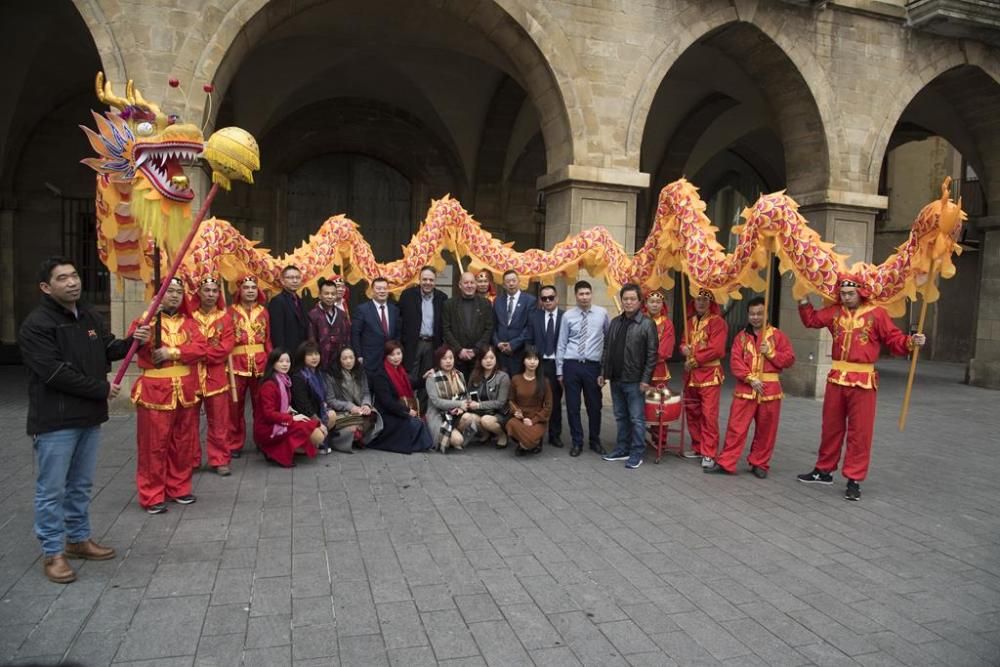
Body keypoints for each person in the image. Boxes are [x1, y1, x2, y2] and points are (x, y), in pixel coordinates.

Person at [20, 256, 150, 583]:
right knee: (52, 490)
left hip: (88, 417)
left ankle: (78, 539)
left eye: (74, 275)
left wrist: (135, 340)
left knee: (80, 484)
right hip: (55, 421)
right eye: (62, 278)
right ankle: (53, 553)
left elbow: (108, 348)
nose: (72, 282)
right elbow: (53, 373)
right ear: (46, 287)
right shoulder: (37, 325)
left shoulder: (88, 315)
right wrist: (100, 388)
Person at [797, 275, 926, 501]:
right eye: (843, 294)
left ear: (861, 292)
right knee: (831, 427)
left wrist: (911, 341)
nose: (846, 298)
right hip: (837, 378)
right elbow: (812, 321)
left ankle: (854, 479)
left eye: (850, 294)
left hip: (864, 380)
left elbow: (894, 339)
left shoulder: (876, 314)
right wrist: (802, 299)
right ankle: (823, 470)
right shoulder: (835, 312)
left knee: (860, 431)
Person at [129, 277, 207, 514]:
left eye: (178, 292)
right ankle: (152, 494)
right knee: (153, 445)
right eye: (169, 291)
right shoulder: (146, 321)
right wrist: (149, 316)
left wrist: (172, 352)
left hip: (184, 390)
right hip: (155, 391)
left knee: (183, 442)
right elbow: (134, 341)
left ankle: (179, 487)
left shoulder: (190, 324)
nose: (174, 295)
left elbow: (201, 348)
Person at [706, 296, 795, 477]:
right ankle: (726, 462)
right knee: (736, 427)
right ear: (747, 315)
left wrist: (771, 353)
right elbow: (735, 362)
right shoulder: (741, 337)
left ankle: (759, 463)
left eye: (759, 314)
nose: (755, 317)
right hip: (746, 388)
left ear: (766, 314)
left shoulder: (777, 336)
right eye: (752, 314)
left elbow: (789, 359)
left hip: (769, 390)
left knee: (766, 429)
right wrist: (750, 378)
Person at [601, 283, 658, 469]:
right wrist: (603, 373)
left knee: (636, 418)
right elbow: (607, 350)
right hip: (616, 378)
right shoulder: (616, 322)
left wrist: (645, 380)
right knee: (620, 416)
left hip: (635, 381)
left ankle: (637, 452)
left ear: (640, 301)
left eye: (632, 299)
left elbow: (652, 355)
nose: (628, 302)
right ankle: (622, 448)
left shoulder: (647, 324)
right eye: (625, 299)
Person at [556, 280, 609, 457]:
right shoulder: (568, 316)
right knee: (572, 406)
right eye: (581, 294)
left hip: (592, 366)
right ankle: (577, 442)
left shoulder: (602, 313)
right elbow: (562, 343)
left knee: (594, 406)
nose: (584, 297)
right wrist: (559, 370)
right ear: (576, 296)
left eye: (587, 293)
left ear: (591, 294)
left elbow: (608, 341)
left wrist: (604, 370)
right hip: (571, 365)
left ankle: (595, 440)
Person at [190, 276, 235, 475]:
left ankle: (220, 459)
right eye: (206, 290)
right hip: (190, 377)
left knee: (219, 420)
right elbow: (185, 345)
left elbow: (225, 348)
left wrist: (198, 353)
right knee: (189, 422)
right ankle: (191, 460)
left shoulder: (225, 318)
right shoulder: (189, 317)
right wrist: (194, 352)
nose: (210, 294)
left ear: (219, 294)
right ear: (199, 292)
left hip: (216, 377)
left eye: (214, 291)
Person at [680, 288, 727, 468]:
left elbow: (717, 349)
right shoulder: (689, 321)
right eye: (698, 299)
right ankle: (698, 446)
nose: (700, 303)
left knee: (709, 415)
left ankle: (709, 452)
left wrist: (696, 359)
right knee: (692, 411)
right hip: (690, 375)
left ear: (711, 303)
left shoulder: (718, 323)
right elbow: (684, 342)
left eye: (705, 300)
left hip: (709, 375)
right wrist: (683, 348)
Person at [253, 348, 321, 467]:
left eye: (287, 361)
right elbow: (268, 414)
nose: (285, 364)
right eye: (281, 361)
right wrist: (292, 419)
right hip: (268, 427)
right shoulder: (269, 385)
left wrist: (289, 410)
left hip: (280, 421)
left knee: (315, 431)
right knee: (314, 433)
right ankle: (273, 449)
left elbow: (281, 405)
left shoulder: (284, 380)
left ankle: (279, 449)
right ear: (273, 363)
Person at [228, 275, 270, 459]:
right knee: (234, 406)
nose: (251, 290)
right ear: (240, 291)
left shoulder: (263, 312)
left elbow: (267, 339)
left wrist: (271, 362)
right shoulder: (230, 312)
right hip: (236, 363)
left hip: (260, 363)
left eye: (254, 287)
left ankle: (262, 440)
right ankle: (234, 443)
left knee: (261, 405)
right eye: (247, 287)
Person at [367, 341, 435, 454]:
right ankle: (418, 445)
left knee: (418, 422)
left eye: (398, 353)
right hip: (386, 413)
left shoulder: (401, 371)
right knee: (413, 423)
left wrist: (425, 379)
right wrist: (407, 411)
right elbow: (387, 402)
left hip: (399, 410)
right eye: (392, 355)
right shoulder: (380, 374)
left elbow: (413, 384)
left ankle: (421, 444)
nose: (396, 357)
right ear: (386, 356)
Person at [398, 266, 447, 409]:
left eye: (431, 280)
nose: (427, 282)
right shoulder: (407, 295)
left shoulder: (442, 298)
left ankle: (425, 411)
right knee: (410, 377)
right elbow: (400, 321)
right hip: (413, 344)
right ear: (419, 279)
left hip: (433, 344)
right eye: (424, 279)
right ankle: (410, 409)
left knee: (429, 378)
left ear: (435, 281)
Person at [291, 341, 346, 455]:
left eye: (316, 354)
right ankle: (305, 446)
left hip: (318, 410)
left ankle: (317, 442)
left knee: (332, 415)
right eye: (310, 355)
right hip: (303, 415)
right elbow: (303, 405)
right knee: (319, 434)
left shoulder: (319, 373)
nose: (314, 357)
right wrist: (317, 421)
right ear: (302, 356)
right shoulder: (298, 376)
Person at [527, 284, 564, 447]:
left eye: (551, 298)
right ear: (541, 301)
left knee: (555, 401)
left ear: (557, 298)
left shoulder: (566, 317)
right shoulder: (534, 316)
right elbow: (529, 340)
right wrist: (532, 359)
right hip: (539, 364)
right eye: (544, 298)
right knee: (537, 400)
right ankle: (537, 433)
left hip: (557, 365)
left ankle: (555, 435)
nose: (548, 301)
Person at [326, 346, 382, 447]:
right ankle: (354, 434)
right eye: (345, 358)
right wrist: (350, 406)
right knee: (354, 427)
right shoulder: (331, 375)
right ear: (339, 360)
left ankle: (358, 433)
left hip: (359, 409)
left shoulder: (360, 371)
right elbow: (331, 400)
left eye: (351, 358)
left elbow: (366, 393)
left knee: (374, 415)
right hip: (341, 412)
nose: (348, 361)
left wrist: (366, 404)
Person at [425, 346, 478, 452]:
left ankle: (453, 433)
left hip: (455, 414)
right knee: (458, 441)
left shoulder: (459, 375)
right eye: (444, 359)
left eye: (451, 358)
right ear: (438, 360)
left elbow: (465, 396)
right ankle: (452, 437)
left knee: (468, 417)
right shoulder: (432, 378)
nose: (448, 361)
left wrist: (461, 409)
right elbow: (437, 402)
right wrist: (458, 404)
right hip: (439, 415)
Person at [442, 271, 495, 378]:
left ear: (476, 284)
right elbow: (445, 329)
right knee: (457, 389)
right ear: (460, 285)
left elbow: (489, 328)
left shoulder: (485, 304)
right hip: (456, 356)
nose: (469, 285)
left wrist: (476, 350)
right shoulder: (449, 304)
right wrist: (459, 350)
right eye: (466, 283)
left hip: (478, 356)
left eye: (472, 282)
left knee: (475, 389)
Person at [506, 346, 553, 456]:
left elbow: (548, 406)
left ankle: (525, 444)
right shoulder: (516, 379)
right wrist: (516, 411)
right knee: (510, 424)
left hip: (537, 420)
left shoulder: (544, 381)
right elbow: (511, 400)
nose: (532, 362)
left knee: (530, 438)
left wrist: (534, 420)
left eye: (536, 359)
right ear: (523, 360)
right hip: (521, 419)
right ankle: (530, 443)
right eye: (529, 358)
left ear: (539, 362)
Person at [351, 276, 401, 375]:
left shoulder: (394, 309)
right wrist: (359, 355)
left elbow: (397, 333)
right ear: (372, 290)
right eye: (378, 289)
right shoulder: (362, 309)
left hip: (390, 359)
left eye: (385, 288)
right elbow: (355, 334)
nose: (382, 291)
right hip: (369, 359)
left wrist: (396, 353)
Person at [493, 269, 536, 376]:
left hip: (519, 352)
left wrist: (513, 344)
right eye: (508, 281)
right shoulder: (497, 300)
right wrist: (497, 342)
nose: (511, 284)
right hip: (500, 352)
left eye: (513, 280)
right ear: (503, 285)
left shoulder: (530, 300)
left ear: (519, 281)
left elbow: (530, 326)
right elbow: (493, 325)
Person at [467, 344, 511, 448]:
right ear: (480, 360)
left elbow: (500, 403)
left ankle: (502, 435)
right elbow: (468, 393)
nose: (488, 361)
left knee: (486, 420)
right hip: (480, 412)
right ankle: (486, 434)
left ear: (496, 359)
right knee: (468, 418)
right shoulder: (475, 374)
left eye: (491, 358)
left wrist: (478, 405)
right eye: (485, 358)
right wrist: (469, 401)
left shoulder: (503, 377)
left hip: (498, 413)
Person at [308, 275, 351, 371]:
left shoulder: (342, 314)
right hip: (320, 362)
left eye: (333, 294)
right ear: (319, 295)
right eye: (326, 293)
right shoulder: (313, 315)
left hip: (340, 362)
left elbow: (347, 338)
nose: (330, 296)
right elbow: (311, 341)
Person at [268, 265, 309, 354]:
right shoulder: (277, 301)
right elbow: (277, 333)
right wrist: (281, 354)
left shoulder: (301, 301)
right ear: (282, 281)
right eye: (290, 278)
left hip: (302, 353)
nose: (295, 281)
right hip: (287, 354)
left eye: (297, 277)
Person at [644, 289, 675, 388]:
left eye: (658, 302)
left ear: (662, 305)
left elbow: (665, 349)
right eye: (652, 301)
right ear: (645, 304)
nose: (655, 305)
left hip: (658, 369)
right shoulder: (638, 321)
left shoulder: (667, 323)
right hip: (639, 369)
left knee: (656, 402)